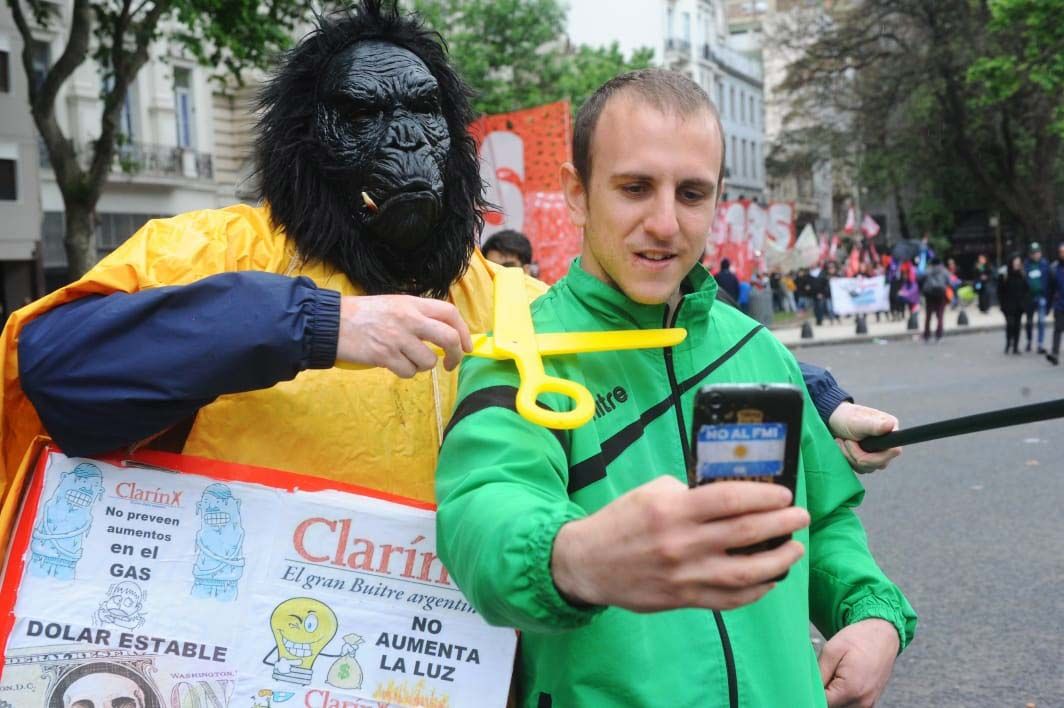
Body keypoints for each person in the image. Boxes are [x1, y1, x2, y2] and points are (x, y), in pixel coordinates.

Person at [0, 4, 898, 510]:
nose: (406, 145)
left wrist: (818, 399)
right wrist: (316, 324)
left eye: (424, 115)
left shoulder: (505, 296)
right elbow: (54, 374)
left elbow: (659, 355)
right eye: (365, 118)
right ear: (309, 142)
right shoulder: (214, 248)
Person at [435, 69, 915, 708]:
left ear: (718, 198)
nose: (664, 223)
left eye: (691, 194)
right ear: (576, 195)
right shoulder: (517, 357)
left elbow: (820, 522)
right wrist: (577, 557)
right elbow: (481, 513)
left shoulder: (756, 348)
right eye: (634, 188)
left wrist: (872, 614)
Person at [999, 255, 1029, 355]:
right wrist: (1002, 305)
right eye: (1015, 262)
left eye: (1018, 262)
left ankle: (1015, 346)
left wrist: (1024, 302)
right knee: (1010, 325)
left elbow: (1026, 289)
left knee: (1017, 326)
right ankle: (1008, 343)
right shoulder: (1005, 275)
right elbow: (1000, 291)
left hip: (1019, 305)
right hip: (1008, 305)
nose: (1017, 264)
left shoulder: (1022, 274)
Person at [1023, 242, 1050, 353]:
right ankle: (1029, 341)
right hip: (1029, 297)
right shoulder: (1026, 265)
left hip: (1041, 296)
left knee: (1041, 321)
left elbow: (1049, 280)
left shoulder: (1044, 264)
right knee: (1029, 322)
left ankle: (1040, 343)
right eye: (1033, 253)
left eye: (1037, 252)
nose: (1035, 255)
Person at [921, 257, 950, 342]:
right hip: (941, 294)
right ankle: (939, 335)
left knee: (928, 315)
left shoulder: (927, 270)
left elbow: (920, 279)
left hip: (929, 294)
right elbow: (948, 282)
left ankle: (927, 335)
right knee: (940, 315)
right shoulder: (944, 271)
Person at [1046, 243, 1064, 365]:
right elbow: (1050, 289)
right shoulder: (1054, 268)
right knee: (1058, 329)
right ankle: (1054, 353)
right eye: (1062, 252)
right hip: (1060, 304)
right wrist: (1048, 306)